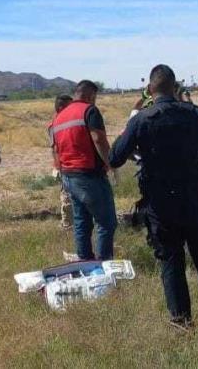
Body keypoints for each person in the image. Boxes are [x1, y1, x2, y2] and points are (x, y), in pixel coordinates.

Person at [109, 64, 198, 329]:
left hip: (161, 205)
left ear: (151, 90)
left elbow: (115, 157)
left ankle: (181, 321)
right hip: (195, 201)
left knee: (171, 262)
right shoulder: (195, 114)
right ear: (175, 87)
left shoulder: (142, 119)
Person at [49, 80, 117, 260]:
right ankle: (104, 264)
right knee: (106, 222)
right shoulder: (89, 110)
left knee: (81, 221)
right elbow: (99, 140)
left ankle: (85, 260)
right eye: (95, 98)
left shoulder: (60, 117)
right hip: (89, 175)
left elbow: (56, 148)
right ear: (90, 95)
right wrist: (110, 163)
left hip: (69, 176)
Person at [49, 95, 74, 230]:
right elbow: (54, 148)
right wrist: (59, 166)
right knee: (66, 195)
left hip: (71, 164)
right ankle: (67, 224)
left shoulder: (69, 121)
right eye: (69, 106)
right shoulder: (55, 124)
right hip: (63, 165)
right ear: (60, 108)